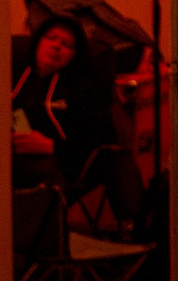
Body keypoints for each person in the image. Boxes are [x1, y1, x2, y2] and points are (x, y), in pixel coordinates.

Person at [11, 16, 113, 190]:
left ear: (74, 55)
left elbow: (97, 144)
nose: (57, 45)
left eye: (66, 45)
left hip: (60, 163)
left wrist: (51, 147)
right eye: (51, 38)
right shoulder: (15, 75)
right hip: (12, 155)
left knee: (41, 173)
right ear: (37, 42)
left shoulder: (82, 89)